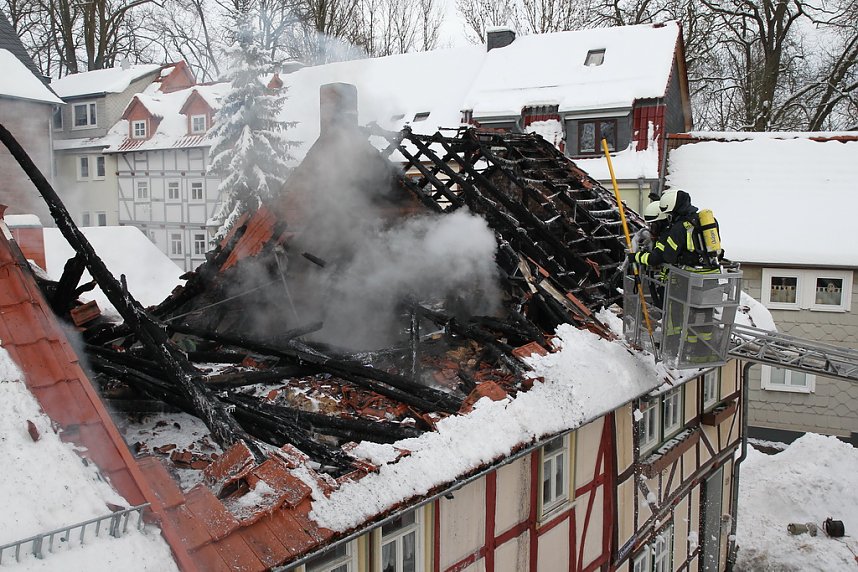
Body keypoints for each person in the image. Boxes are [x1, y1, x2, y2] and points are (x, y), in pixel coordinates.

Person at [630, 190, 721, 361]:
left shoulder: (679, 228)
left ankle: (678, 350)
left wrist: (637, 257)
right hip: (711, 277)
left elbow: (666, 257)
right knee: (704, 314)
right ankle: (703, 351)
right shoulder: (708, 221)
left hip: (689, 278)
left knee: (679, 316)